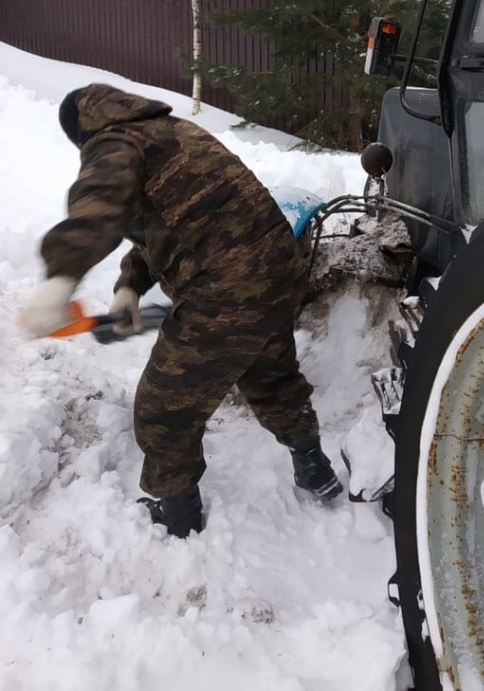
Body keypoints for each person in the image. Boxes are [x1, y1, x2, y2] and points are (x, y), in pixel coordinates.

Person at [19, 83, 342, 537]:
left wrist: (59, 280)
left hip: (225, 289)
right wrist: (130, 286)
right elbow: (168, 220)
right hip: (276, 269)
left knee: (164, 409)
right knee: (271, 375)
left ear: (83, 132)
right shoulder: (171, 130)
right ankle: (316, 469)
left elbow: (98, 207)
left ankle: (179, 517)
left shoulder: (113, 144)